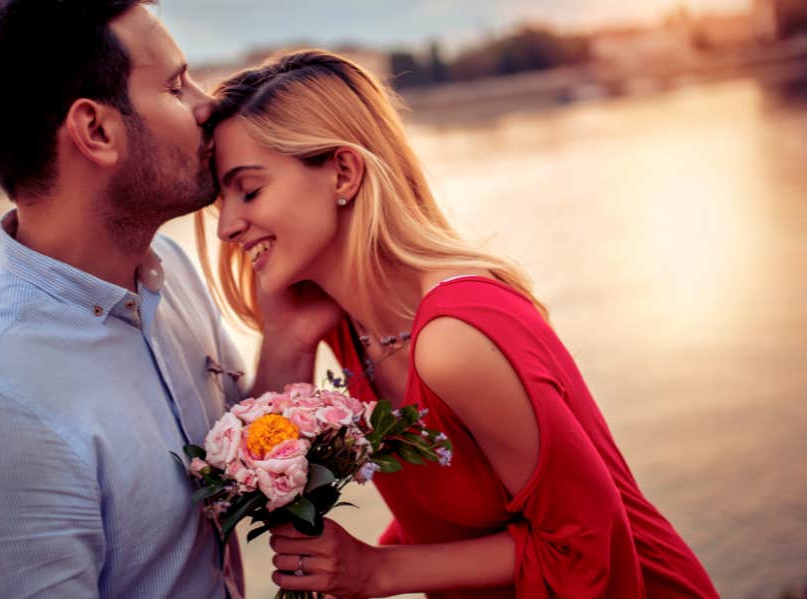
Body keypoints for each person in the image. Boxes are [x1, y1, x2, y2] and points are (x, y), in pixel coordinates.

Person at [198, 49, 721, 598]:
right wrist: (289, 336)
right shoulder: (349, 330)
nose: (227, 227)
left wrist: (376, 570)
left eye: (250, 190)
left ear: (344, 172)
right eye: (222, 202)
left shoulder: (455, 338)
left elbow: (586, 543)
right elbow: (247, 484)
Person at [0, 2, 317, 597]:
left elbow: (244, 470)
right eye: (175, 86)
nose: (208, 104)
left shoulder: (171, 277)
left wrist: (292, 333)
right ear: (96, 131)